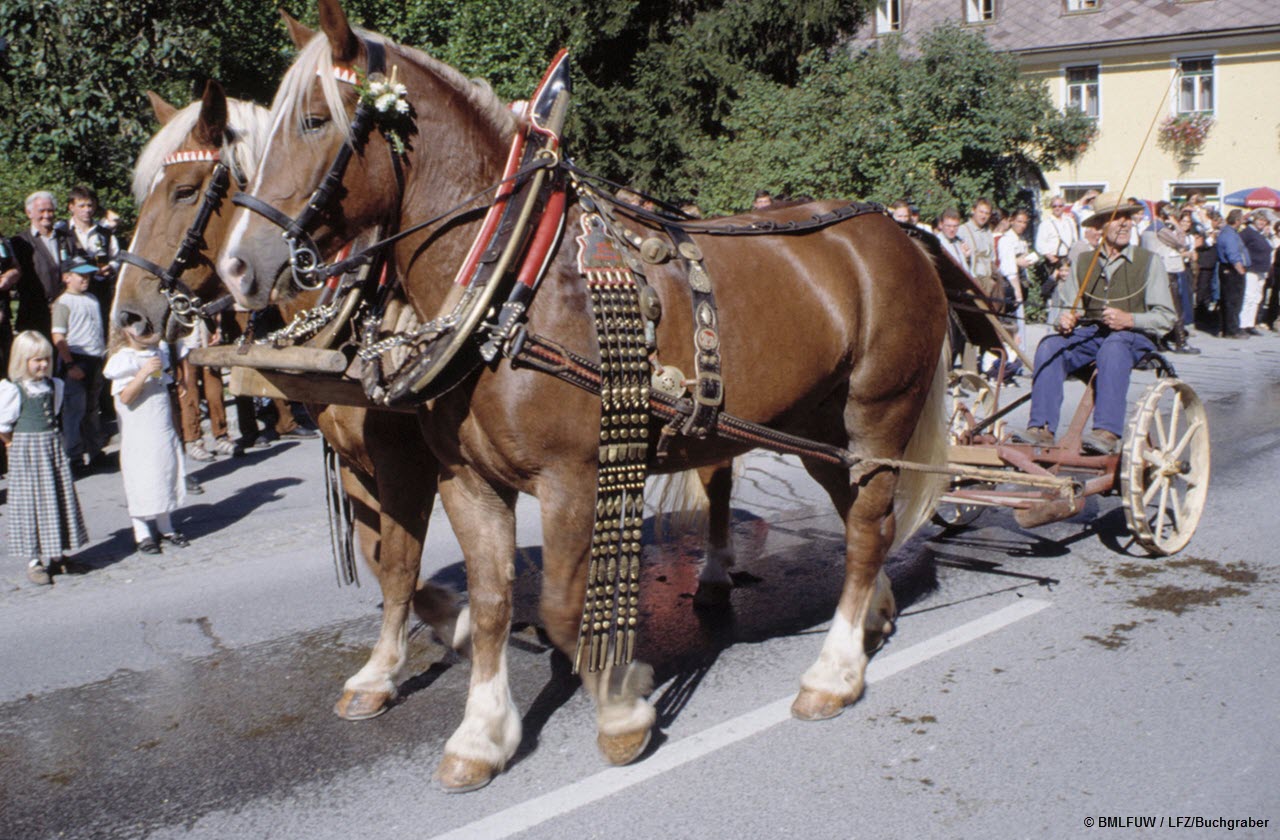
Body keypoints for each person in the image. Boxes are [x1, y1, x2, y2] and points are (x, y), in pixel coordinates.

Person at [1023, 194, 1176, 455]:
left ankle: (1107, 432)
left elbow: (1167, 317)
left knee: (1114, 345)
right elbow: (1068, 308)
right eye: (1117, 218)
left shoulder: (1149, 262)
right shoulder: (1083, 262)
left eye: (1128, 218)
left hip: (1136, 337)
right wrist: (1065, 319)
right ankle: (1042, 428)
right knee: (1050, 345)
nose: (1125, 223)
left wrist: (1130, 319)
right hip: (1094, 335)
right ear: (1100, 226)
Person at [0, 331, 89, 585]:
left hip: (51, 447)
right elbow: (3, 424)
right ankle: (33, 560)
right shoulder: (14, 389)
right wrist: (11, 443)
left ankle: (57, 555)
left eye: (46, 359)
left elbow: (55, 412)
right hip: (27, 450)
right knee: (31, 503)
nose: (42, 364)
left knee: (56, 497)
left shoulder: (53, 385)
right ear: (22, 360)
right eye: (36, 360)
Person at [104, 329, 189, 555]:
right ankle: (141, 532)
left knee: (163, 470)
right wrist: (143, 373)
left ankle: (165, 527)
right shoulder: (123, 359)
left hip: (159, 423)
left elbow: (161, 384)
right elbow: (125, 397)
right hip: (139, 427)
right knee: (141, 476)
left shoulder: (157, 353)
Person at [50, 257, 107, 470]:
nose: (86, 279)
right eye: (80, 275)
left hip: (95, 358)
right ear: (67, 278)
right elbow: (58, 335)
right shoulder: (64, 302)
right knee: (74, 410)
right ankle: (73, 456)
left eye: (88, 275)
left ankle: (95, 451)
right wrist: (69, 364)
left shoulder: (92, 299)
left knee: (93, 407)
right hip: (76, 357)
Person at [10, 191, 75, 337]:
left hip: (66, 312)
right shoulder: (19, 242)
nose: (47, 215)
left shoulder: (66, 239)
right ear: (29, 213)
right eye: (41, 211)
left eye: (50, 210)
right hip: (34, 315)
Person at [174, 317, 237, 461]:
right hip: (184, 342)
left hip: (207, 337)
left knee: (215, 390)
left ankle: (221, 436)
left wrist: (218, 328)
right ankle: (194, 441)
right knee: (189, 394)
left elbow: (215, 307)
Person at [64, 185, 120, 338]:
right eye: (81, 206)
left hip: (101, 293)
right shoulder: (62, 232)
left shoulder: (105, 233)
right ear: (71, 207)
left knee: (101, 332)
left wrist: (111, 267)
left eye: (90, 205)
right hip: (72, 294)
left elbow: (116, 257)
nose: (87, 210)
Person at [1034, 194, 1078, 305]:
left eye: (1060, 206)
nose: (1057, 208)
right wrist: (1050, 257)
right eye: (1054, 206)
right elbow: (1039, 244)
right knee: (1053, 286)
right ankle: (1052, 307)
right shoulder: (1046, 223)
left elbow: (1075, 240)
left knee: (1069, 286)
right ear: (1051, 207)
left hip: (1067, 258)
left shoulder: (1069, 221)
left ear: (1064, 206)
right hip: (1053, 259)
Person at [1215, 209, 1250, 338]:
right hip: (1232, 269)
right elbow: (1233, 255)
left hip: (1229, 269)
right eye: (1241, 219)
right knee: (1233, 301)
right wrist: (1240, 271)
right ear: (1237, 221)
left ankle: (1226, 328)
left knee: (1229, 300)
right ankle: (1232, 330)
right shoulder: (1229, 235)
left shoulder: (1229, 232)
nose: (1242, 222)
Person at [1238, 210, 1273, 336]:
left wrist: (1268, 236)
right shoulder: (1247, 233)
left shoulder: (1262, 234)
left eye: (1264, 221)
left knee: (1257, 298)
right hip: (1251, 269)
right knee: (1248, 297)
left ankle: (1250, 324)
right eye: (1260, 220)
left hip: (1262, 270)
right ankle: (1242, 324)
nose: (1262, 223)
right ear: (1254, 220)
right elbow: (1240, 248)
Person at [957, 198, 997, 300]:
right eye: (981, 212)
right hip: (972, 282)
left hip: (988, 281)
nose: (983, 216)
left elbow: (992, 257)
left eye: (987, 213)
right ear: (973, 210)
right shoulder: (962, 230)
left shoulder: (988, 232)